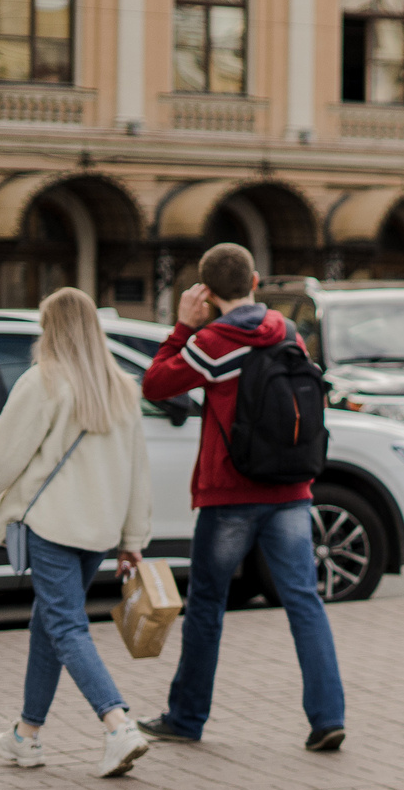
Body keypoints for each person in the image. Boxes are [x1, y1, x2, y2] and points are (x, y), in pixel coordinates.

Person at [137, 243, 348, 752]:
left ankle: (187, 718)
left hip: (230, 492)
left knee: (208, 604)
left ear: (206, 293)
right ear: (255, 280)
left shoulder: (213, 342)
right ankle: (327, 717)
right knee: (303, 600)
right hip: (292, 488)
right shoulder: (288, 333)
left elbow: (156, 383)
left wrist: (183, 326)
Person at [0, 288, 155, 778]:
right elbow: (136, 471)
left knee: (64, 626)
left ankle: (117, 724)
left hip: (51, 525)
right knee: (48, 626)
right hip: (98, 530)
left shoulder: (42, 382)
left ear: (52, 329)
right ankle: (26, 736)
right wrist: (132, 539)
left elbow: (5, 454)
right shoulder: (122, 388)